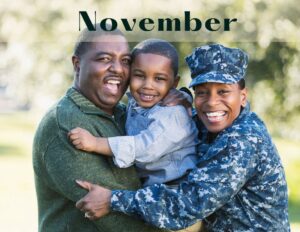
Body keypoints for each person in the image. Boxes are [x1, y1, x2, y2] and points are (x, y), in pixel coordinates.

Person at [75, 44, 290, 231]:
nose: (212, 102)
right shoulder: (208, 119)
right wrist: (183, 96)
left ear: (242, 97)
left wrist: (112, 199)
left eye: (223, 92)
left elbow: (186, 206)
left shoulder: (243, 140)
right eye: (202, 92)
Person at [32, 26, 171, 232]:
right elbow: (119, 221)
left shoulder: (125, 114)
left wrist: (180, 99)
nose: (118, 68)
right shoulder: (66, 124)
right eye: (105, 59)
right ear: (77, 64)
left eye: (125, 61)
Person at [68, 39, 199, 187]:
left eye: (159, 79)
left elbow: (145, 148)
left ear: (174, 84)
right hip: (152, 186)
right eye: (140, 76)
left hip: (176, 188)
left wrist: (96, 143)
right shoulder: (135, 104)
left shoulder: (173, 114)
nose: (147, 85)